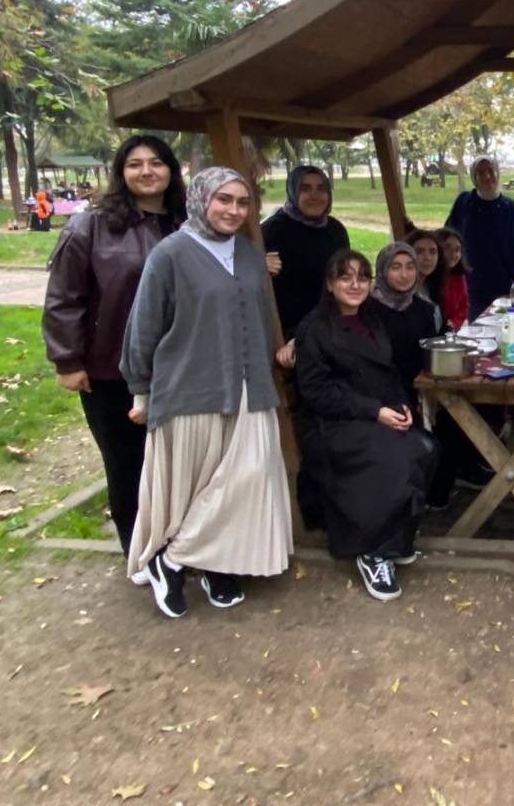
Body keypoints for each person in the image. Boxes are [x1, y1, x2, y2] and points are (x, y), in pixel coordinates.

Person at [120, 167, 293, 618]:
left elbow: (257, 316)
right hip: (190, 389)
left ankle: (175, 560)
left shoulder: (250, 253)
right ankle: (205, 566)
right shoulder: (170, 254)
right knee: (197, 487)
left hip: (249, 388)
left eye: (242, 202)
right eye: (224, 200)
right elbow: (144, 326)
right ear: (201, 200)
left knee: (248, 476)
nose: (234, 210)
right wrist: (141, 391)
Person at [43, 135, 187, 566]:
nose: (147, 171)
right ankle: (139, 550)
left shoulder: (186, 223)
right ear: (121, 172)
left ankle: (177, 544)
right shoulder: (91, 227)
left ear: (171, 170)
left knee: (176, 461)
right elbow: (64, 297)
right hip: (111, 369)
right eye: (135, 164)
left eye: (156, 163)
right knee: (128, 462)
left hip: (180, 368)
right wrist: (67, 359)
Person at [293, 250, 439, 601]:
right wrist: (375, 412)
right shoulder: (315, 328)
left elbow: (389, 373)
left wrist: (401, 406)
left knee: (427, 447)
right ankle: (372, 551)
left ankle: (395, 539)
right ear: (330, 284)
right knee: (396, 457)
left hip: (374, 415)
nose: (355, 285)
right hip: (334, 424)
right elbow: (318, 392)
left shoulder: (371, 318)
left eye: (361, 277)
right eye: (345, 277)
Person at [261, 165, 350, 345]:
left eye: (321, 188)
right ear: (293, 192)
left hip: (331, 328)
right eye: (305, 188)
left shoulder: (335, 230)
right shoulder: (273, 230)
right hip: (286, 335)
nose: (314, 196)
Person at [444, 156, 514, 319]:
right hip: (472, 285)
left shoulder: (510, 208)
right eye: (480, 173)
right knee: (478, 329)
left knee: (507, 328)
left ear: (497, 173)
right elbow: (447, 236)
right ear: (474, 179)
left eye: (491, 171)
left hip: (503, 285)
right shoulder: (463, 202)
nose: (487, 176)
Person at [368, 241, 443, 398]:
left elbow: (430, 354)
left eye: (410, 267)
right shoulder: (368, 309)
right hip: (379, 394)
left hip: (422, 390)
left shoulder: (425, 308)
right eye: (396, 267)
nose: (404, 275)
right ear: (383, 270)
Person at [404, 228, 449, 334]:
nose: (427, 257)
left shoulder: (432, 285)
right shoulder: (403, 293)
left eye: (433, 252)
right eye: (419, 251)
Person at [435, 226, 471, 331]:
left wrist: (454, 323)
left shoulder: (458, 276)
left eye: (457, 250)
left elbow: (464, 306)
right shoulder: (429, 277)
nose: (453, 254)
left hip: (450, 331)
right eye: (447, 248)